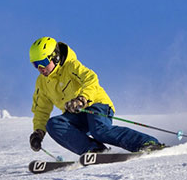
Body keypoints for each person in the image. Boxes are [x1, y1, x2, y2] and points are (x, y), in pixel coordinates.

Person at [28, 37, 163, 155]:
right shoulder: (42, 83)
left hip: (96, 105)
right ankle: (95, 150)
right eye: (36, 65)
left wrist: (82, 98)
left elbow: (90, 79)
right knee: (53, 124)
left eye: (44, 63)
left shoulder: (71, 66)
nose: (41, 68)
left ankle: (147, 143)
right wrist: (38, 133)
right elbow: (41, 109)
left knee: (100, 131)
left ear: (55, 56)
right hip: (77, 114)